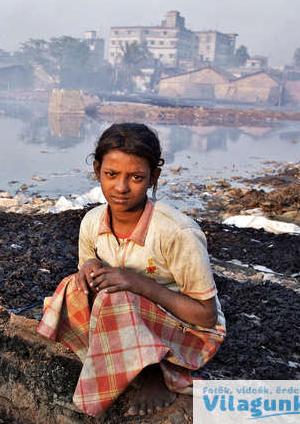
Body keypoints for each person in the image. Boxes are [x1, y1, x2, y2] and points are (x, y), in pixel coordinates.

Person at [37, 123, 226, 417]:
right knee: (73, 285)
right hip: (127, 316)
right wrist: (88, 268)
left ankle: (155, 374)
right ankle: (121, 358)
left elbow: (206, 315)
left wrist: (136, 283)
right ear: (98, 170)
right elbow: (86, 267)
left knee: (117, 296)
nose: (121, 188)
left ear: (154, 177)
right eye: (111, 175)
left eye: (136, 177)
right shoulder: (92, 222)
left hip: (188, 330)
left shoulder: (177, 232)